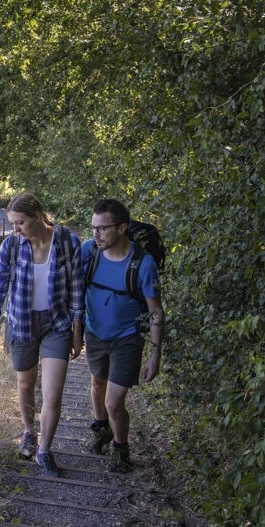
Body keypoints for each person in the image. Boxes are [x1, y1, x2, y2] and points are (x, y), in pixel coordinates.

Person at [0, 192, 84, 477]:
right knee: (25, 385)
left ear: (38, 216)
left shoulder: (66, 241)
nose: (16, 229)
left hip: (57, 325)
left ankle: (44, 451)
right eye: (13, 223)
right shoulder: (11, 246)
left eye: (20, 223)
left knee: (52, 393)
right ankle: (29, 431)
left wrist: (77, 332)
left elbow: (76, 288)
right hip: (21, 322)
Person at [82, 199, 164, 473]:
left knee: (113, 402)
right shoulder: (88, 252)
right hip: (94, 333)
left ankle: (120, 446)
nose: (96, 235)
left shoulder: (143, 264)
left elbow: (155, 312)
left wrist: (155, 353)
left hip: (127, 338)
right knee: (96, 385)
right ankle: (101, 428)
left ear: (122, 228)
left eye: (103, 229)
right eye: (93, 228)